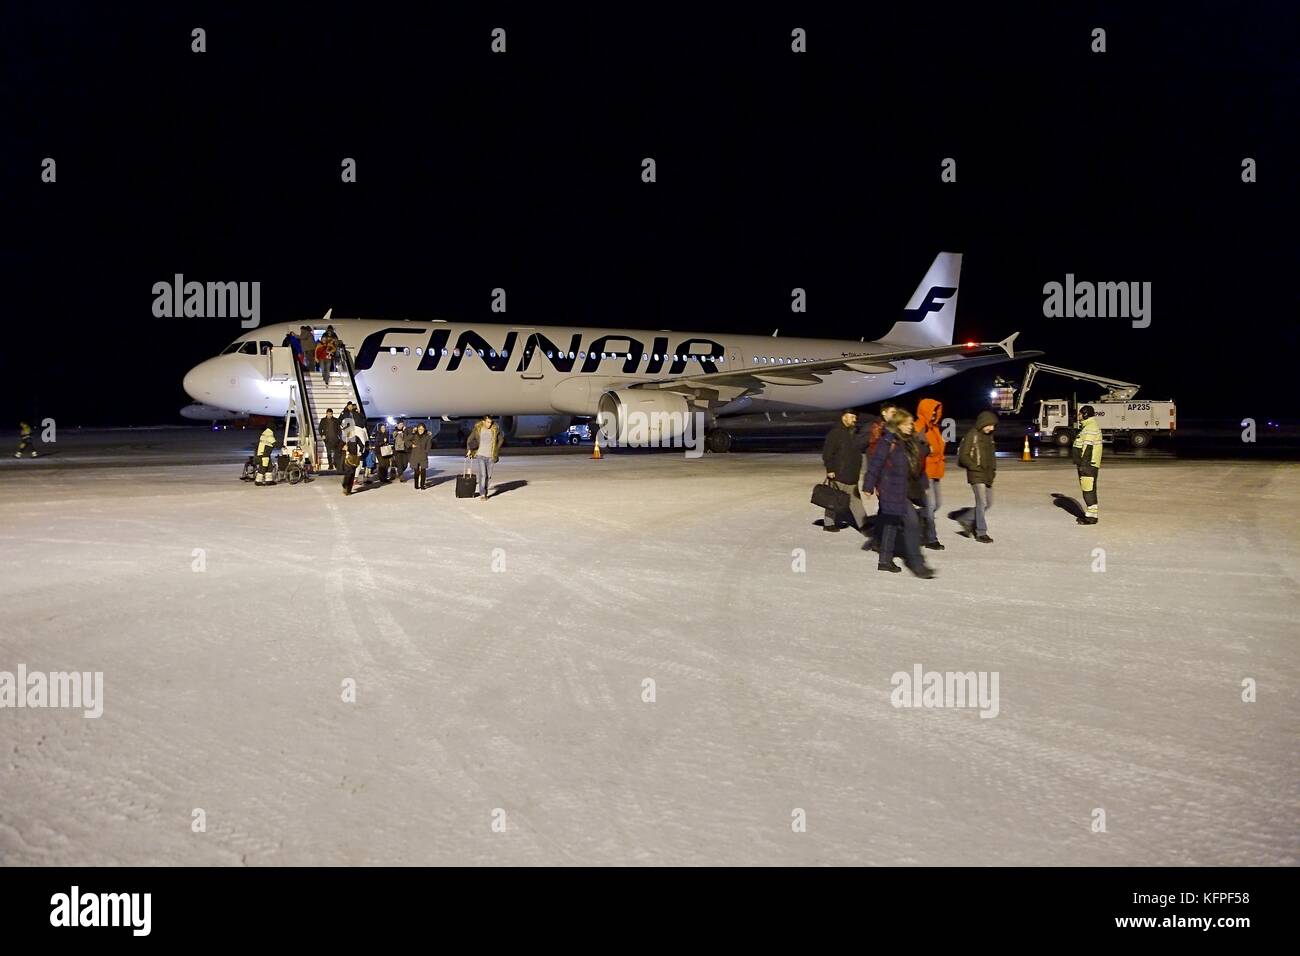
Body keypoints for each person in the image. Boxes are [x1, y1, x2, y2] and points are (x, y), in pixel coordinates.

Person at [863, 408, 934, 578]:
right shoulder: (888, 442)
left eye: (911, 423)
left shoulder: (909, 441)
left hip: (906, 488)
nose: (911, 426)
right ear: (898, 425)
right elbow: (875, 464)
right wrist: (868, 486)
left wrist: (923, 483)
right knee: (912, 523)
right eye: (907, 424)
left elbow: (916, 465)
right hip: (892, 490)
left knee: (891, 523)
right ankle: (917, 564)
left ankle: (884, 561)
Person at [820, 409, 868, 532]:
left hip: (852, 473)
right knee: (834, 499)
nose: (854, 420)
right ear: (844, 417)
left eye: (855, 417)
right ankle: (829, 523)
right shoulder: (835, 433)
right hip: (839, 473)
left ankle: (864, 524)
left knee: (855, 500)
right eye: (852, 417)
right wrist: (830, 469)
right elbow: (827, 453)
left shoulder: (853, 433)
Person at [956, 410, 998, 543]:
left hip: (988, 474)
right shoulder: (972, 435)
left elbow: (992, 456)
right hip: (976, 474)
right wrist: (974, 467)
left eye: (993, 426)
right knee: (982, 502)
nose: (991, 428)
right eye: (989, 425)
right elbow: (963, 456)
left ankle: (965, 518)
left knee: (988, 503)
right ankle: (981, 532)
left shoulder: (990, 437)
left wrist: (993, 470)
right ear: (982, 423)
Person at [916, 398, 946, 550]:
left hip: (936, 471)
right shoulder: (919, 427)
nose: (934, 415)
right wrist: (931, 452)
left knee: (937, 504)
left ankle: (915, 518)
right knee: (930, 506)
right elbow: (919, 450)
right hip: (925, 472)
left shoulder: (934, 428)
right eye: (932, 412)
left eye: (936, 412)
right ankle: (931, 539)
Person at [1072, 404, 1103, 524]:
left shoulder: (1090, 427)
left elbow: (1088, 448)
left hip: (1088, 465)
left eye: (1080, 413)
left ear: (1085, 414)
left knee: (1088, 490)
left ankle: (1091, 518)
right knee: (1087, 489)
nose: (1078, 416)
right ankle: (1090, 515)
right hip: (1086, 464)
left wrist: (1083, 465)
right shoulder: (1087, 426)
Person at [466, 415, 502, 500]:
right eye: (488, 422)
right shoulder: (478, 429)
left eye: (491, 422)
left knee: (488, 476)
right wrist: (469, 450)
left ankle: (485, 491)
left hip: (491, 456)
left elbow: (501, 439)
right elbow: (469, 439)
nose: (489, 424)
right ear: (483, 422)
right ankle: (483, 494)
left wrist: (496, 449)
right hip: (480, 455)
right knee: (483, 475)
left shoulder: (495, 429)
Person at [342, 425, 366, 495]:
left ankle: (349, 490)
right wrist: (343, 448)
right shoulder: (344, 438)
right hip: (346, 457)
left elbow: (362, 445)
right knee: (348, 473)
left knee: (352, 473)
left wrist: (360, 452)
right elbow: (338, 446)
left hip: (354, 458)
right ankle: (345, 485)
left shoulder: (355, 437)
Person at [408, 422, 433, 490]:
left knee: (423, 471)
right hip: (415, 455)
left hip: (423, 455)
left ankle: (422, 485)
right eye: (419, 429)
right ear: (417, 429)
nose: (421, 430)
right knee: (416, 471)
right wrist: (411, 445)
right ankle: (416, 484)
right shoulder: (414, 435)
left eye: (422, 429)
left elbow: (429, 445)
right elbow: (407, 440)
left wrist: (426, 451)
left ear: (424, 429)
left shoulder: (427, 436)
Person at [318, 408, 342, 472]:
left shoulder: (335, 420)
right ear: (326, 413)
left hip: (335, 439)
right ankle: (330, 465)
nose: (329, 415)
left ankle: (335, 464)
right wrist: (322, 435)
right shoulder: (323, 420)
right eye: (328, 414)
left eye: (331, 414)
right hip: (327, 439)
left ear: (332, 414)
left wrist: (339, 436)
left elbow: (339, 429)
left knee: (336, 453)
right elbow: (320, 429)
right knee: (329, 453)